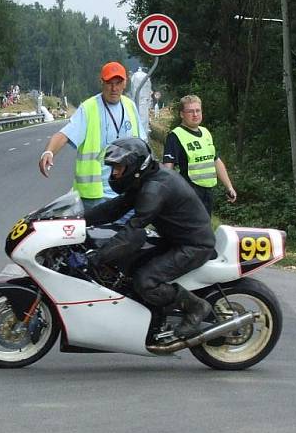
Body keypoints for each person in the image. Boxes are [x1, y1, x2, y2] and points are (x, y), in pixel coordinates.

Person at [84, 137, 215, 339]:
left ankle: (196, 307)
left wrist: (97, 257)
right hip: (174, 239)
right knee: (127, 267)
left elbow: (133, 231)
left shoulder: (154, 189)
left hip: (194, 245)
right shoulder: (145, 179)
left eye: (119, 167)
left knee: (145, 280)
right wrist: (74, 219)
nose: (115, 173)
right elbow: (113, 208)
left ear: (135, 166)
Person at [38, 62, 147, 210]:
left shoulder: (130, 106)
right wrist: (49, 152)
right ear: (101, 82)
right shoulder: (89, 108)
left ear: (125, 83)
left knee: (125, 232)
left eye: (118, 83)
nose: (114, 88)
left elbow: (142, 144)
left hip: (126, 191)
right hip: (96, 196)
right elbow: (64, 135)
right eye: (109, 83)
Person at [162, 94, 236, 215]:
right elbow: (167, 167)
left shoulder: (206, 133)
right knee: (191, 230)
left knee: (204, 229)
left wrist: (229, 187)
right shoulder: (175, 136)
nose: (195, 114)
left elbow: (215, 160)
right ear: (182, 114)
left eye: (198, 110)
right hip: (188, 192)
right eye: (190, 111)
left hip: (208, 192)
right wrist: (165, 193)